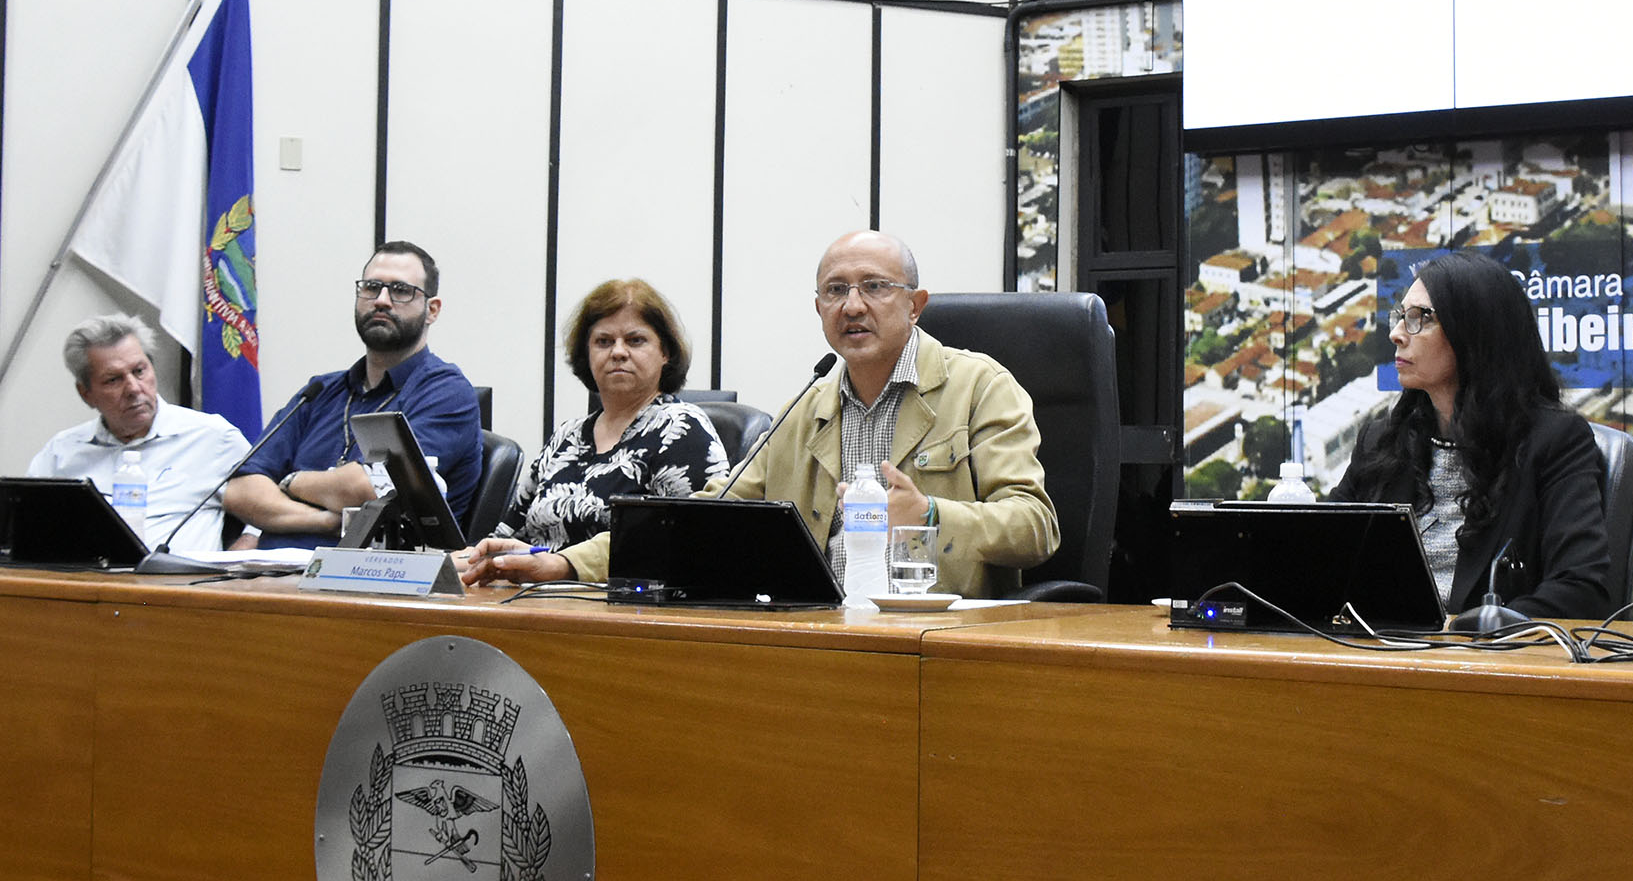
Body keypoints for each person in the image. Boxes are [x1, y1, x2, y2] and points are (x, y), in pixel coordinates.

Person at [463, 230, 1058, 596]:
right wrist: (566, 564)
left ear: (915, 304)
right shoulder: (809, 405)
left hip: (939, 636)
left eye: (874, 287)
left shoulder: (980, 385)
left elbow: (1035, 526)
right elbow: (701, 518)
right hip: (814, 632)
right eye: (834, 290)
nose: (852, 305)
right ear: (818, 308)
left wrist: (929, 514)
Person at [1334, 251, 1615, 619]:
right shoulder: (1381, 440)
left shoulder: (1555, 441)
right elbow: (1326, 559)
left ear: (1475, 333)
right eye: (1401, 316)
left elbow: (1581, 589)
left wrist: (1470, 632)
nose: (1397, 334)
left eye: (1421, 319)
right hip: (1379, 655)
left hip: (1489, 664)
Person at [222, 241, 483, 544]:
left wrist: (290, 481)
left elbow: (368, 488)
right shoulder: (319, 392)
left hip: (373, 579)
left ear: (432, 310)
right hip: (272, 576)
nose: (381, 300)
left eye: (401, 290)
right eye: (372, 287)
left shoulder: (445, 392)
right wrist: (325, 521)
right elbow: (240, 491)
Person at [483, 278, 730, 551]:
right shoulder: (567, 435)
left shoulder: (681, 428)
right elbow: (506, 537)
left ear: (665, 353)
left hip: (615, 591)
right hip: (531, 588)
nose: (618, 352)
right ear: (586, 355)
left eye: (635, 341)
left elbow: (691, 544)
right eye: (604, 341)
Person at [26, 313, 250, 546]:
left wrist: (241, 554)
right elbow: (23, 526)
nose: (133, 388)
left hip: (182, 580)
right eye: (113, 380)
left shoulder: (212, 438)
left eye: (139, 371)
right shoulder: (60, 454)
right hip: (85, 579)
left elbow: (271, 508)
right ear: (86, 394)